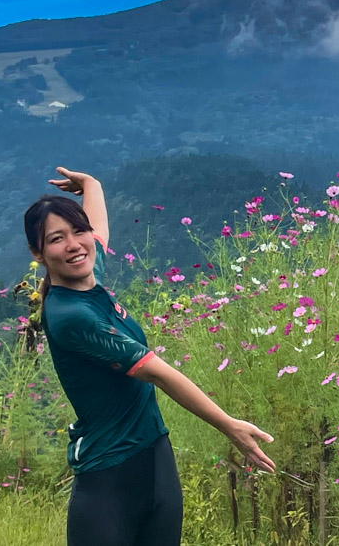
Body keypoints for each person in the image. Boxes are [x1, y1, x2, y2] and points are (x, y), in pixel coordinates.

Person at [25, 166, 276, 546]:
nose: (75, 244)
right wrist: (230, 426)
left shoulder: (87, 274)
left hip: (156, 462)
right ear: (38, 253)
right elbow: (157, 373)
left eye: (79, 232)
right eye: (57, 239)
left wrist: (91, 184)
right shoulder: (71, 315)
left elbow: (98, 234)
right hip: (108, 481)